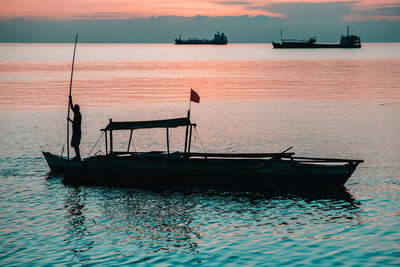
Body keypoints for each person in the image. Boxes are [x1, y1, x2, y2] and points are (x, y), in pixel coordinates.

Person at [68, 95, 82, 161]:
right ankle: (77, 156)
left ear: (77, 109)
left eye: (75, 108)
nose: (74, 109)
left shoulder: (78, 115)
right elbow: (71, 107)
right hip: (75, 131)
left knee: (76, 145)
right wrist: (70, 99)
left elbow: (75, 123)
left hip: (77, 132)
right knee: (74, 144)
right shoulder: (76, 113)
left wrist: (69, 120)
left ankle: (78, 157)